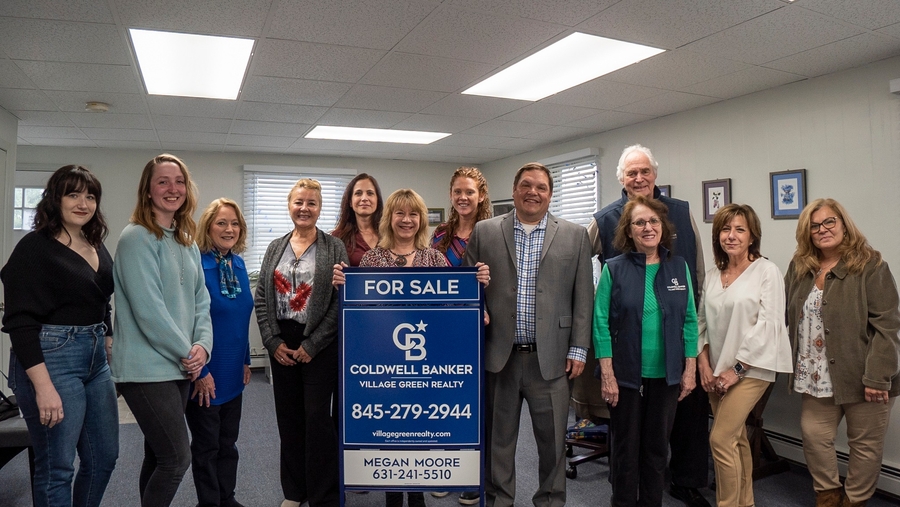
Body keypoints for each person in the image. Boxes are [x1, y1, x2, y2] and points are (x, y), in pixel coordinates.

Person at [333, 188, 489, 507]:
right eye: (400, 213)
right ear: (390, 218)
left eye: (413, 214)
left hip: (425, 366)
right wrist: (342, 285)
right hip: (384, 365)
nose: (407, 220)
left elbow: (452, 307)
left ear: (421, 220)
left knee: (421, 430)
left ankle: (417, 495)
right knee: (390, 428)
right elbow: (360, 314)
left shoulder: (434, 258)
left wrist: (477, 289)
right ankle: (392, 496)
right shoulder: (372, 259)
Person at [586, 144, 709, 507]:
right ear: (628, 228)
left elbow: (690, 314)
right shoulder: (613, 263)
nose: (647, 227)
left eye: (653, 222)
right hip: (626, 371)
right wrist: (607, 372)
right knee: (626, 449)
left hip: (668, 371)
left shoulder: (677, 262)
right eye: (639, 223)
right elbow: (600, 320)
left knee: (658, 448)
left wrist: (690, 367)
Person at [463, 162, 592, 507]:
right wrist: (479, 305)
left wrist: (579, 348)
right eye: (526, 185)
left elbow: (584, 296)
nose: (533, 192)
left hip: (551, 359)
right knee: (499, 442)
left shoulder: (575, 235)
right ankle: (499, 500)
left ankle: (550, 501)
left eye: (541, 187)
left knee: (553, 444)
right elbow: (466, 287)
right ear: (514, 190)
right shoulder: (486, 231)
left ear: (550, 194)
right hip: (500, 356)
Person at [1, 165, 118, 507]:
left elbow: (101, 297)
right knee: (58, 467)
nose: (83, 203)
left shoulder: (94, 242)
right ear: (55, 199)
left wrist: (107, 336)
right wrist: (43, 387)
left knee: (104, 457)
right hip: (52, 358)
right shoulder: (34, 248)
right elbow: (20, 323)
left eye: (90, 196)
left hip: (95, 359)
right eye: (73, 194)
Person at [112, 153, 214, 507]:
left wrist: (203, 346)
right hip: (145, 369)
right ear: (148, 190)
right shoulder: (136, 238)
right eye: (163, 182)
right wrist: (189, 353)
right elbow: (149, 311)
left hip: (179, 366)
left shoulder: (186, 239)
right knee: (176, 459)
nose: (173, 189)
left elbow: (201, 300)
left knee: (159, 456)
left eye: (179, 181)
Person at [785, 199, 900, 507]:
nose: (822, 230)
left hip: (864, 373)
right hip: (816, 376)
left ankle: (855, 500)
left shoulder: (871, 266)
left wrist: (877, 376)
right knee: (814, 437)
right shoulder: (799, 268)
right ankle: (828, 495)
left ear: (843, 225)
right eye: (814, 226)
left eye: (829, 222)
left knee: (864, 445)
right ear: (807, 233)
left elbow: (887, 326)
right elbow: (782, 312)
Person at [255, 178, 348, 507]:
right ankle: (295, 491)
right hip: (282, 341)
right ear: (289, 205)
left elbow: (340, 301)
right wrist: (271, 341)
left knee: (317, 419)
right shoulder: (274, 247)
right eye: (299, 202)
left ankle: (324, 495)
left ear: (320, 208)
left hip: (320, 344)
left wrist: (314, 344)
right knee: (289, 418)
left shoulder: (334, 247)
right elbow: (262, 298)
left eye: (311, 203)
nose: (304, 208)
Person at [696, 204, 791, 507]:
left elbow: (770, 325)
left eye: (740, 229)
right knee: (735, 438)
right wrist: (703, 364)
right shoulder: (713, 275)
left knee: (720, 439)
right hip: (716, 369)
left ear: (752, 236)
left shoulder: (766, 272)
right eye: (725, 229)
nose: (731, 235)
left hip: (751, 370)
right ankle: (745, 503)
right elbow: (700, 323)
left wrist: (735, 370)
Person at [430, 167, 492, 505]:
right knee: (444, 403)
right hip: (442, 328)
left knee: (474, 405)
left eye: (469, 191)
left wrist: (486, 303)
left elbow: (504, 281)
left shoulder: (493, 231)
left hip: (480, 329)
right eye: (457, 191)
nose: (463, 197)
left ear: (481, 196)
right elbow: (427, 274)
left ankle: (474, 477)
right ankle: (446, 471)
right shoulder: (441, 233)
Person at [186, 198, 254, 507]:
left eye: (235, 223)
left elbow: (241, 317)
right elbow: (188, 324)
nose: (229, 229)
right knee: (207, 447)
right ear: (208, 227)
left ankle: (227, 498)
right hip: (206, 374)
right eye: (222, 223)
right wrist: (200, 372)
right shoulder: (196, 265)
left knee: (228, 443)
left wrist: (246, 360)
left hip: (233, 372)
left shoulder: (238, 264)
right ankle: (210, 503)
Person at [332, 173, 383, 266]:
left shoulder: (390, 234)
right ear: (350, 202)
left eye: (370, 193)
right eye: (358, 193)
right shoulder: (338, 237)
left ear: (377, 200)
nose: (364, 198)